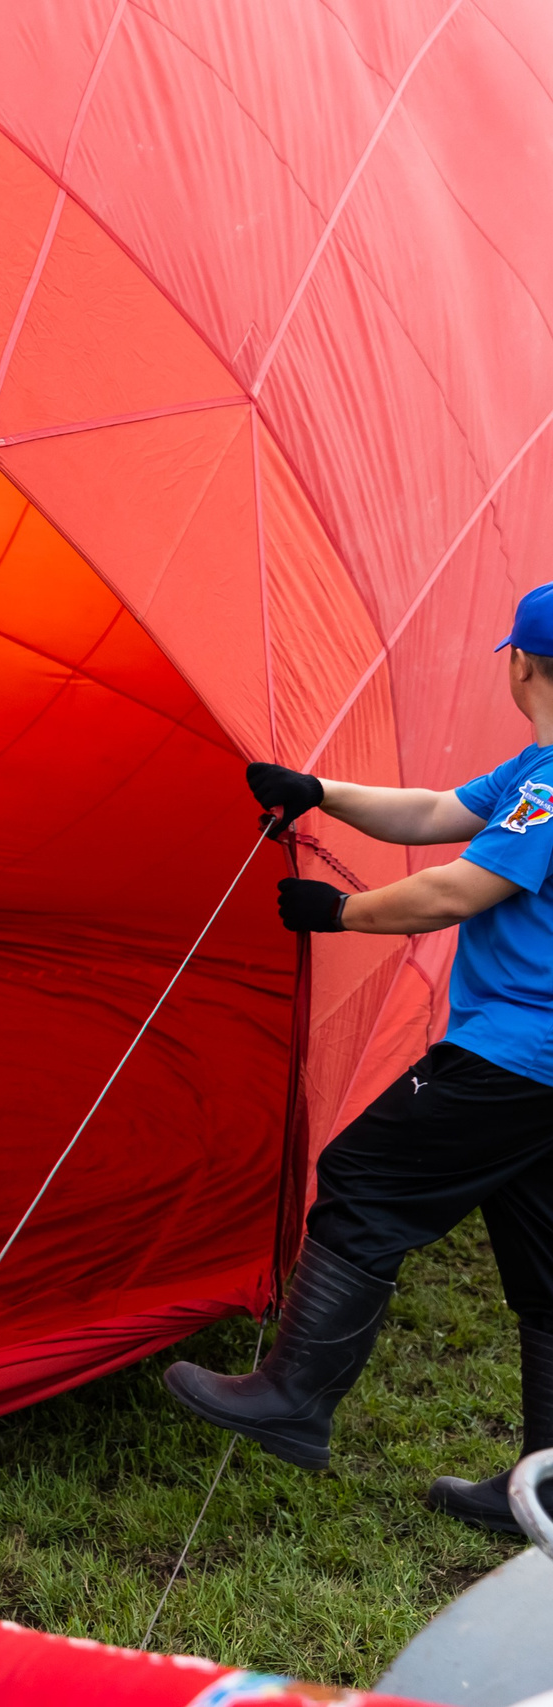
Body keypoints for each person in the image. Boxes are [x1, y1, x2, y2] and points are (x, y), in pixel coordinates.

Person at [167, 582, 553, 1533]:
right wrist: (320, 793)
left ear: (522, 662)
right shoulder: (532, 769)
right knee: (549, 1265)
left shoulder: (551, 785)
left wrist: (341, 913)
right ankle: (549, 1489)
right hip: (543, 1065)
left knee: (364, 1176)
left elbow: (453, 892)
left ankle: (294, 1395)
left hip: (518, 1051)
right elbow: (432, 813)